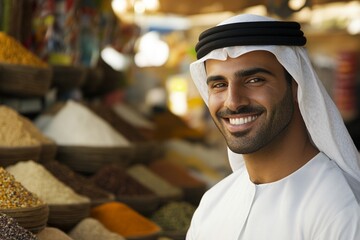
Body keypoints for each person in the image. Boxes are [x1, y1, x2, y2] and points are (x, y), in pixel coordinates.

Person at [186, 14, 360, 239]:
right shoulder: (213, 204)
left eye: (254, 80)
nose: (233, 102)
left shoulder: (338, 209)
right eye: (219, 85)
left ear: (297, 86)